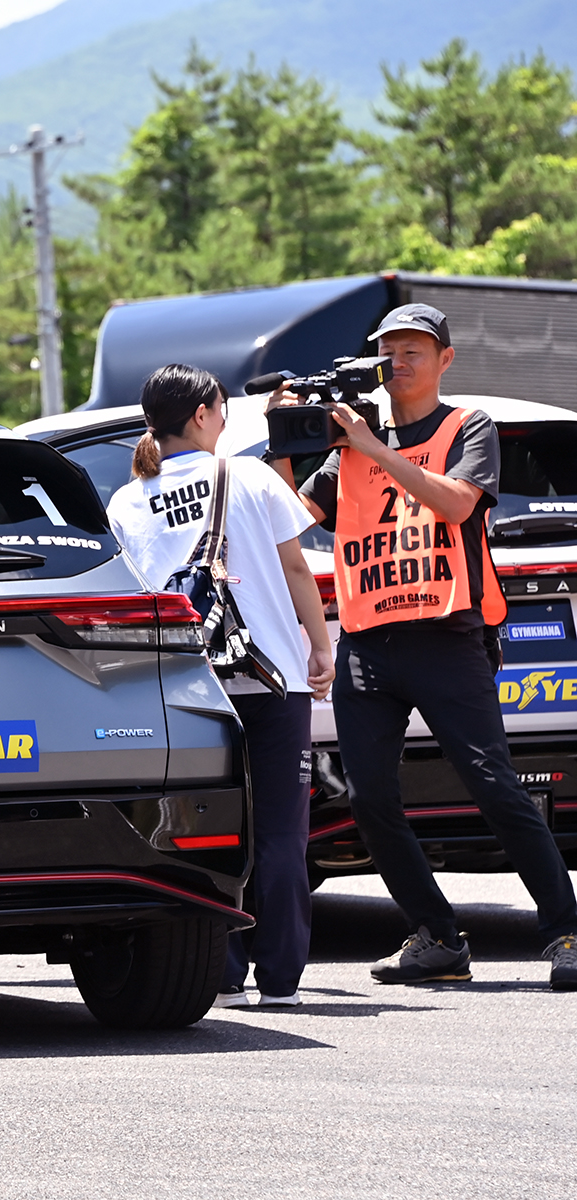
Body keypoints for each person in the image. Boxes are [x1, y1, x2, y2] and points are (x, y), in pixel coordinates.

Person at [273, 303, 577, 990]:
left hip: (446, 635)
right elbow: (290, 519)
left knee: (494, 787)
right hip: (370, 643)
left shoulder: (466, 427)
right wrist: (283, 439)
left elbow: (458, 504)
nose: (400, 362)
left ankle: (565, 928)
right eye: (390, 351)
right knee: (369, 800)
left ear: (445, 359)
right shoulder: (349, 446)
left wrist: (371, 449)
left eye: (415, 350)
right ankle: (437, 937)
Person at [108, 364, 334, 1009]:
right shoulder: (253, 476)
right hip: (272, 679)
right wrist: (319, 646)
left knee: (203, 832)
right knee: (282, 833)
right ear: (204, 415)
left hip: (186, 689)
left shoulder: (129, 500)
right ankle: (282, 978)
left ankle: (222, 973)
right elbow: (295, 567)